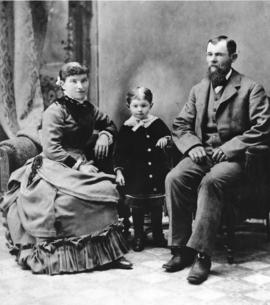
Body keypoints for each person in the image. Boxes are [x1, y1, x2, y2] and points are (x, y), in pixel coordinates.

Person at [0, 62, 132, 274]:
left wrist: (105, 136)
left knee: (106, 190)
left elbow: (109, 124)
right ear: (62, 84)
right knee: (70, 200)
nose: (80, 86)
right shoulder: (55, 111)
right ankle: (72, 254)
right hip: (55, 164)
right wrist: (80, 166)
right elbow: (52, 149)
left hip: (79, 160)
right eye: (74, 82)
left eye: (83, 81)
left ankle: (109, 252)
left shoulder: (89, 109)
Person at [163, 36, 270, 284]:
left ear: (233, 58)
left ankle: (203, 255)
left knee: (211, 182)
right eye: (210, 54)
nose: (213, 60)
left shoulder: (251, 88)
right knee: (175, 178)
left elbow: (263, 128)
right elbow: (180, 125)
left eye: (219, 55)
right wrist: (193, 146)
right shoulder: (199, 89)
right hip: (204, 154)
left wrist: (232, 147)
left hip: (237, 160)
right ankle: (181, 249)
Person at [114, 87, 171, 251]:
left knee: (156, 206)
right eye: (136, 106)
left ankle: (158, 234)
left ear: (151, 105)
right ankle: (138, 235)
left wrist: (164, 139)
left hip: (156, 172)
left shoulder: (156, 122)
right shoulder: (126, 127)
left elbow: (168, 136)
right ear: (129, 106)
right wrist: (119, 171)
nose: (140, 110)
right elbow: (119, 152)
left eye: (144, 105)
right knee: (137, 207)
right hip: (135, 174)